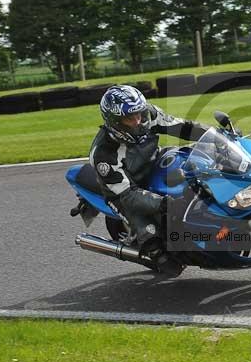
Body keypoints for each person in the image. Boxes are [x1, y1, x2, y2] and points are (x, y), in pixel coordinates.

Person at [89, 85, 209, 273]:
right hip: (125, 192)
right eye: (130, 118)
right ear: (115, 122)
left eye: (139, 114)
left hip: (154, 162)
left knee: (195, 159)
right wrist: (166, 204)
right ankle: (155, 254)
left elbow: (182, 127)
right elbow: (128, 195)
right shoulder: (104, 154)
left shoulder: (148, 115)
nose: (138, 120)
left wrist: (215, 135)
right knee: (154, 240)